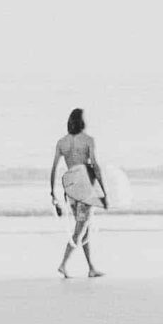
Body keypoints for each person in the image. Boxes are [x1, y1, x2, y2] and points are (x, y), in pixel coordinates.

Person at [50, 106, 108, 278]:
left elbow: (53, 169)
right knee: (80, 230)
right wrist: (103, 192)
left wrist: (53, 194)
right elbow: (96, 166)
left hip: (70, 187)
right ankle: (62, 264)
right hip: (85, 186)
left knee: (84, 228)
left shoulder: (62, 142)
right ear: (82, 121)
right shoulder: (88, 140)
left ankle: (91, 268)